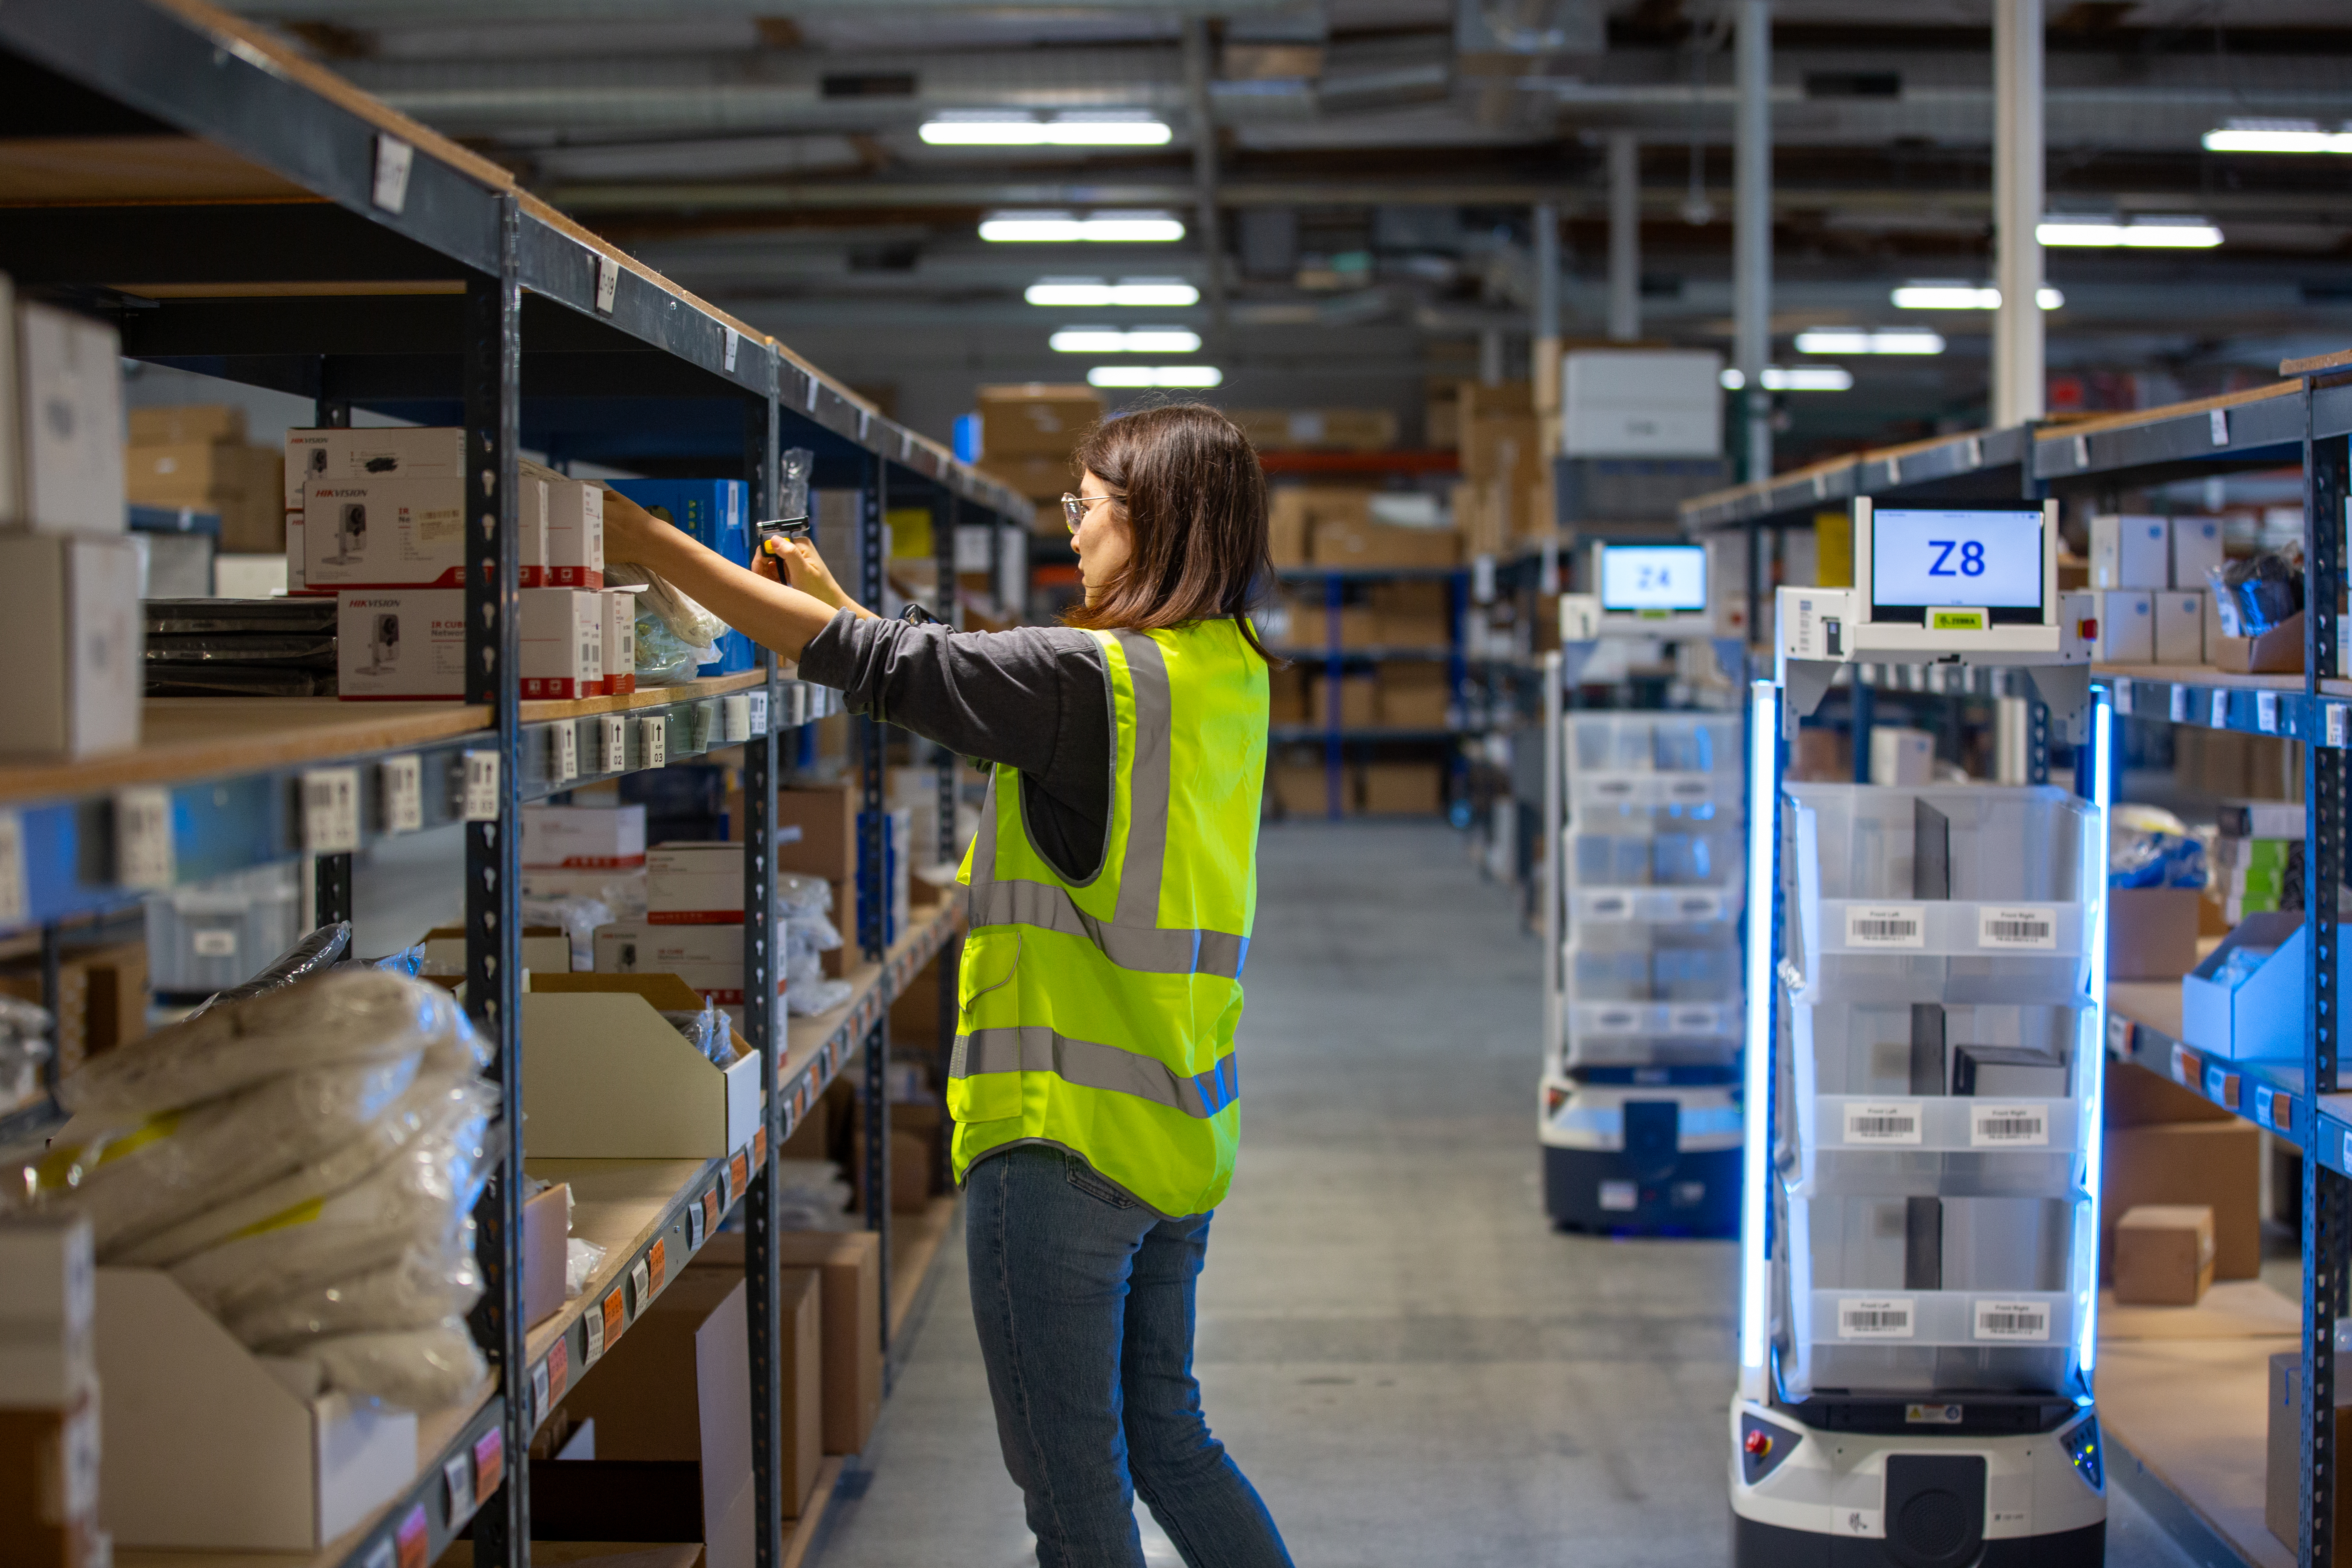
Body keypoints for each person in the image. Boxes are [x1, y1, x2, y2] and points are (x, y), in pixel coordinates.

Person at [601, 402, 1296, 1568]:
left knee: (1076, 1514)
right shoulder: (1220, 674)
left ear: (1156, 521)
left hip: (1062, 1151)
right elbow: (943, 683)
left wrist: (645, 543)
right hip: (1180, 1132)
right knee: (1171, 1438)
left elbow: (899, 671)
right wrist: (837, 599)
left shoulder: (1097, 680)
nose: (1069, 528)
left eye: (1088, 506)